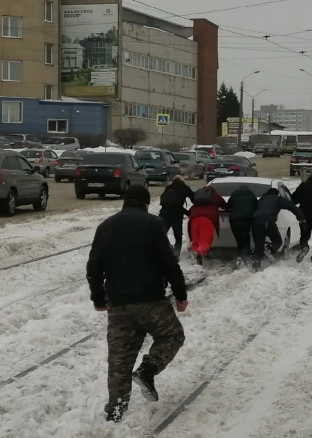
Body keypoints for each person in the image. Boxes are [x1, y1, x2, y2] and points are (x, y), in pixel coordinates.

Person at [86, 185, 188, 424]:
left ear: (124, 201)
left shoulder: (106, 227)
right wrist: (180, 293)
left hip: (119, 304)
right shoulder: (153, 224)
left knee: (119, 359)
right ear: (145, 203)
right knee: (172, 335)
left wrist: (98, 298)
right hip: (151, 300)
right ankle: (148, 369)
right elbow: (169, 263)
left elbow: (93, 267)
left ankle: (115, 411)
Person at [251, 188, 307, 271]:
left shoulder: (260, 200)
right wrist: (301, 218)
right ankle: (269, 248)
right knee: (278, 241)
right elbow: (292, 207)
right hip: (268, 221)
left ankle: (255, 268)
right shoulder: (277, 199)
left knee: (258, 248)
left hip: (255, 223)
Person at [188, 185, 227, 265]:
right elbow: (224, 205)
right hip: (207, 220)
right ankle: (199, 252)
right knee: (205, 241)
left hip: (194, 219)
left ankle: (194, 256)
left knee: (195, 240)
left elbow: (191, 209)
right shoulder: (214, 196)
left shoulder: (197, 197)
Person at [159, 175, 195, 258]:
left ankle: (168, 251)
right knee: (178, 237)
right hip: (176, 216)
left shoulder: (168, 188)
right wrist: (189, 212)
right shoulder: (185, 188)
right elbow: (194, 199)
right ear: (182, 181)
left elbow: (164, 201)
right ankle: (176, 255)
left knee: (162, 234)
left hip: (164, 214)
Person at [227, 185, 258, 262]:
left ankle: (239, 255)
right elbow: (256, 206)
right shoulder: (251, 194)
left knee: (239, 239)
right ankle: (245, 258)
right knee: (245, 239)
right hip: (246, 220)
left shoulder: (234, 194)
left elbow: (228, 205)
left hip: (234, 220)